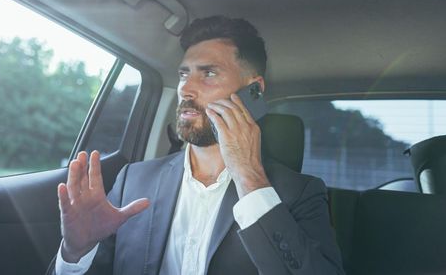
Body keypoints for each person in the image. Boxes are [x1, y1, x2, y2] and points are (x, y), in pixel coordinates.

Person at [47, 16, 344, 274]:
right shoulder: (133, 180)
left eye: (209, 73)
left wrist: (250, 179)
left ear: (254, 89)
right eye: (184, 73)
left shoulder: (300, 194)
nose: (186, 88)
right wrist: (76, 254)